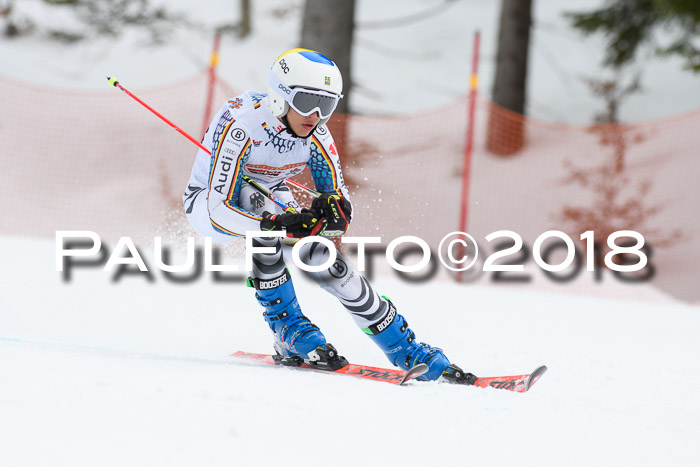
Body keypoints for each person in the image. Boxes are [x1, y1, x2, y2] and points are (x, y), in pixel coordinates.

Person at [182, 48, 475, 383]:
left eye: (328, 103)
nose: (316, 114)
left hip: (271, 199)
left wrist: (335, 214)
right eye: (307, 101)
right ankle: (287, 327)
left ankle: (402, 347)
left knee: (322, 256)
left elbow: (338, 196)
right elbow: (216, 209)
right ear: (280, 96)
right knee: (262, 210)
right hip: (210, 203)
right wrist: (276, 224)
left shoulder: (316, 132)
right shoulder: (241, 124)